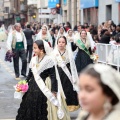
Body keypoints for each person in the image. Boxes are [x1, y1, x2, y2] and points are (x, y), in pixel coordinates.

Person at [16, 40, 70, 120]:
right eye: (33, 48)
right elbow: (30, 75)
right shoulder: (33, 59)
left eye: (35, 48)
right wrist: (23, 83)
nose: (33, 50)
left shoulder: (49, 60)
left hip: (44, 86)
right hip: (32, 86)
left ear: (41, 49)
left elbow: (53, 76)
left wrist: (54, 90)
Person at [52, 36, 79, 112]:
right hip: (57, 74)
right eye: (59, 42)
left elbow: (73, 66)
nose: (61, 44)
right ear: (57, 43)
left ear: (66, 43)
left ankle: (66, 109)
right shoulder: (54, 53)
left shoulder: (69, 53)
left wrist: (74, 77)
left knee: (67, 91)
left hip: (67, 75)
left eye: (63, 42)